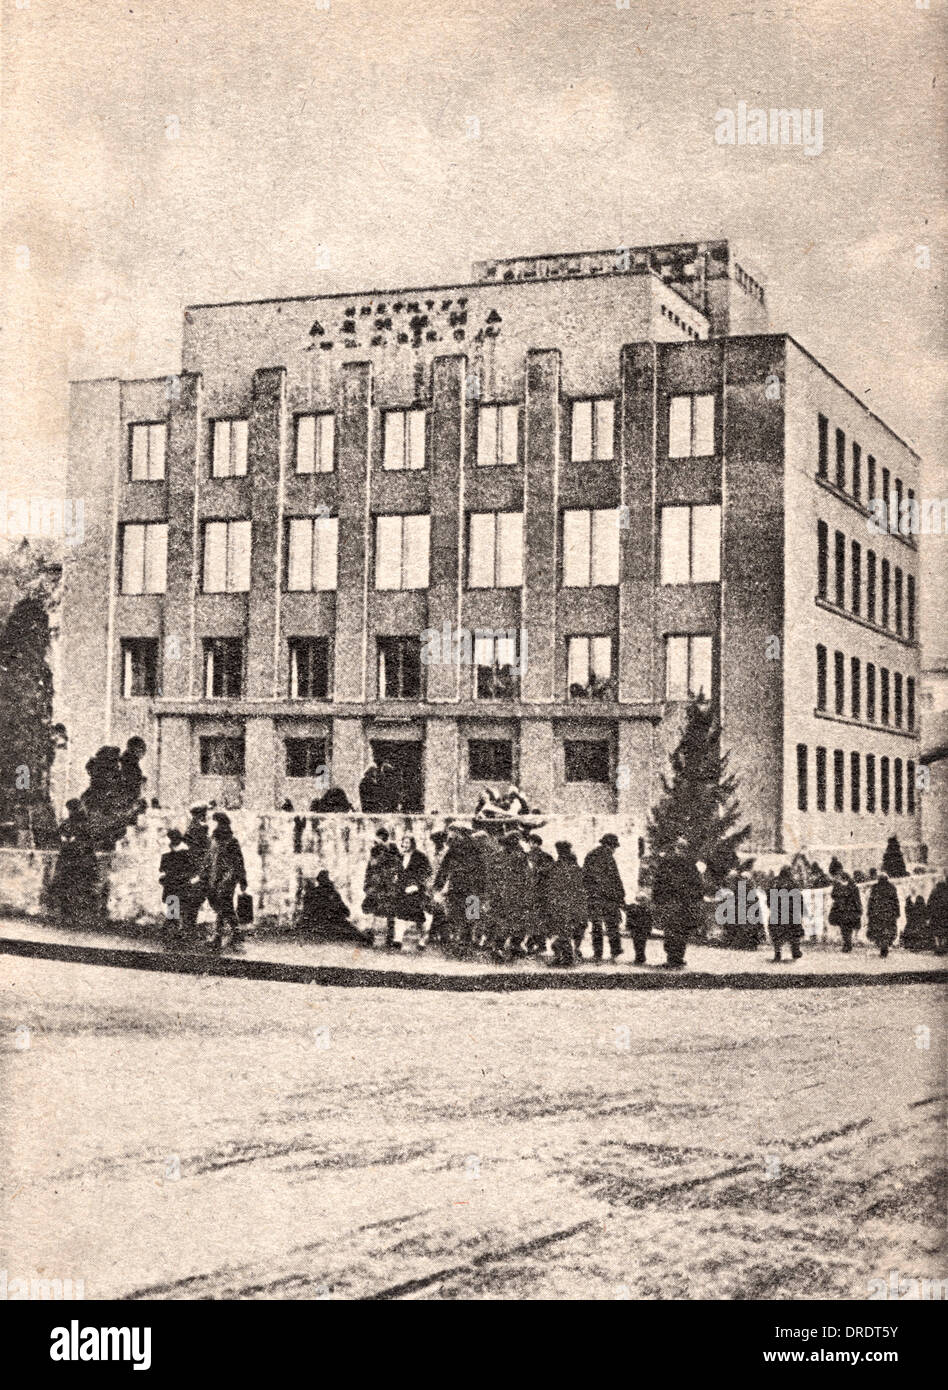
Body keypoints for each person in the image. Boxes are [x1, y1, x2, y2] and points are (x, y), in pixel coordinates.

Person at [432, 824, 485, 954]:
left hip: (459, 886)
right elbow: (483, 870)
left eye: (453, 832)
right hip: (473, 888)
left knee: (457, 915)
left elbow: (444, 869)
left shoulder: (455, 848)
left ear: (460, 833)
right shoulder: (477, 848)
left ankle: (460, 943)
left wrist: (438, 886)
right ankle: (465, 943)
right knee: (470, 916)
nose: (450, 835)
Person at [651, 838, 703, 968]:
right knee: (681, 931)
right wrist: (695, 900)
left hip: (670, 902)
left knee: (671, 931)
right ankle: (678, 958)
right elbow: (698, 886)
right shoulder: (691, 865)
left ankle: (672, 959)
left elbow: (658, 882)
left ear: (676, 849)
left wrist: (656, 899)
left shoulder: (667, 862)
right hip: (685, 904)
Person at [50, 798, 100, 927]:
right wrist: (64, 839)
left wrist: (75, 841)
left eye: (74, 809)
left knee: (81, 888)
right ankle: (66, 916)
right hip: (68, 860)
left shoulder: (87, 823)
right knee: (65, 888)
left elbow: (91, 839)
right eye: (71, 810)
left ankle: (79, 918)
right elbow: (57, 835)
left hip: (81, 860)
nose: (72, 812)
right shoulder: (67, 823)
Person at [204, 812, 248, 952]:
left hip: (229, 877)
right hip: (216, 876)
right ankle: (236, 932)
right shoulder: (214, 839)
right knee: (224, 905)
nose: (217, 826)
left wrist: (242, 879)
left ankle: (217, 937)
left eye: (219, 823)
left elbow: (239, 861)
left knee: (223, 903)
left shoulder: (232, 841)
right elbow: (209, 858)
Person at [582, 833, 626, 963]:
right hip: (608, 897)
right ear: (610, 845)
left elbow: (585, 876)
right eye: (614, 847)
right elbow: (615, 878)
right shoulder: (608, 857)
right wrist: (620, 895)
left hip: (594, 896)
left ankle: (598, 953)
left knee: (596, 925)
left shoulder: (590, 855)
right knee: (612, 924)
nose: (614, 850)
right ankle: (615, 950)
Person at [545, 841, 588, 965]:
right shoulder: (576, 867)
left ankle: (565, 957)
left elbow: (552, 887)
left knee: (562, 932)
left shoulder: (557, 867)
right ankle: (565, 956)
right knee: (567, 932)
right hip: (573, 905)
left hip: (562, 905)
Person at [493, 831, 535, 958]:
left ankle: (501, 946)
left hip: (505, 893)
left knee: (506, 920)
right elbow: (528, 875)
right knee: (518, 920)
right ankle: (513, 945)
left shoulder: (498, 855)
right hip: (516, 893)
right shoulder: (521, 855)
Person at [298, 869, 370, 943]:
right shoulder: (332, 893)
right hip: (331, 923)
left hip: (315, 925)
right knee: (349, 930)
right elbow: (345, 911)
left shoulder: (312, 893)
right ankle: (364, 938)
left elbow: (306, 912)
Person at [391, 835, 432, 950]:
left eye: (407, 843)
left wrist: (417, 885)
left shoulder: (420, 856)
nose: (405, 845)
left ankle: (422, 940)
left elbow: (427, 873)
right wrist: (395, 877)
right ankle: (397, 940)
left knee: (419, 917)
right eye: (403, 842)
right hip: (402, 890)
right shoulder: (400, 856)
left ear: (412, 844)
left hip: (415, 891)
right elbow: (396, 870)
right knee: (400, 914)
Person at [362, 827, 400, 946]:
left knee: (390, 911)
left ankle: (390, 937)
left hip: (388, 884)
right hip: (376, 884)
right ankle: (370, 936)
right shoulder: (374, 850)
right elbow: (370, 867)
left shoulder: (392, 848)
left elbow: (397, 863)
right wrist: (367, 883)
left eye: (381, 837)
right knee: (372, 910)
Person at [158, 828, 197, 945]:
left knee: (177, 910)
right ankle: (176, 933)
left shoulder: (179, 854)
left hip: (177, 885)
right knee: (176, 910)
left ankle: (174, 933)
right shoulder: (185, 854)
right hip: (177, 885)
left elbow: (163, 870)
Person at [767, 865, 805, 962]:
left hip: (777, 912)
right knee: (794, 932)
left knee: (776, 934)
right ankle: (795, 950)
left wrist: (772, 906)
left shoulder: (774, 882)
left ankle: (777, 954)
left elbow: (769, 897)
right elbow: (799, 898)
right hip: (791, 912)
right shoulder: (793, 882)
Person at [525, 832, 554, 953]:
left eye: (532, 842)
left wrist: (537, 871)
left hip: (538, 892)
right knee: (536, 919)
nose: (531, 845)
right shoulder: (529, 856)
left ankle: (537, 944)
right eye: (530, 842)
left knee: (537, 919)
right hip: (536, 892)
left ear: (536, 843)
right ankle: (535, 944)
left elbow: (550, 872)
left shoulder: (543, 857)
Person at [828, 863, 862, 953]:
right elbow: (857, 899)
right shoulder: (853, 887)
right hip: (851, 911)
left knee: (844, 929)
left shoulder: (838, 887)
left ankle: (847, 945)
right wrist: (859, 909)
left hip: (842, 911)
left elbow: (833, 895)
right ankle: (848, 944)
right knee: (849, 928)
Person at [866, 872, 900, 958]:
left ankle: (882, 947)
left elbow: (871, 902)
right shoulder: (892, 887)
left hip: (878, 914)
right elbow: (895, 901)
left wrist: (869, 912)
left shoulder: (875, 888)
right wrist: (897, 912)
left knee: (879, 931)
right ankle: (885, 947)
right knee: (887, 931)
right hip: (889, 914)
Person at [625, 895, 653, 966]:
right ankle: (640, 957)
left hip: (640, 930)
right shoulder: (644, 909)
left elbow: (649, 921)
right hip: (638, 930)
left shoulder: (644, 910)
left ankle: (640, 957)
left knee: (639, 944)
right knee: (638, 944)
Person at [928, 873, 948, 955]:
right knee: (944, 932)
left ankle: (937, 946)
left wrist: (928, 914)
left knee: (936, 932)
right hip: (945, 914)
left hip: (935, 914)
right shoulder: (946, 891)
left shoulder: (934, 891)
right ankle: (942, 947)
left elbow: (929, 903)